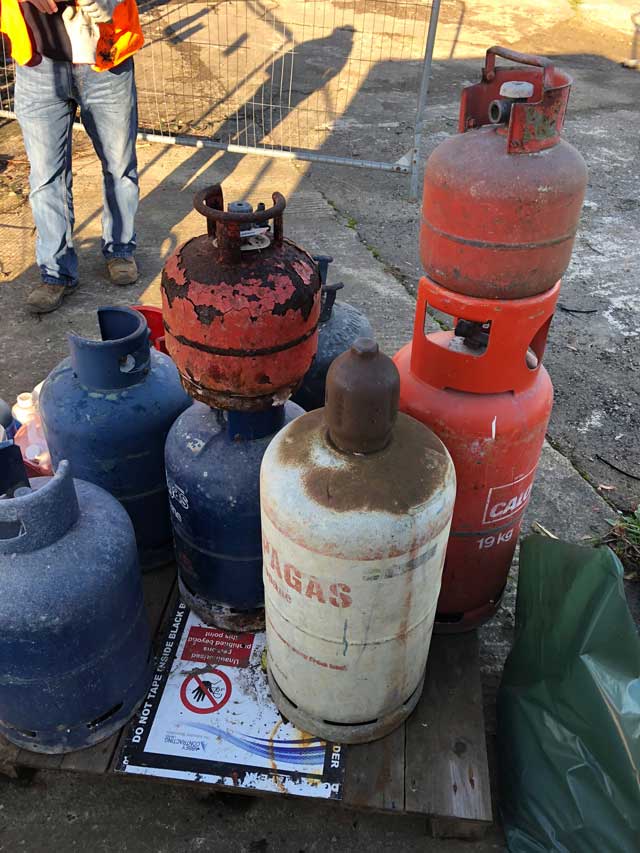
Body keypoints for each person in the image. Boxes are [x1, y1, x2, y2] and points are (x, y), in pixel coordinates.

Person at [0, 0, 144, 313]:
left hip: (105, 57)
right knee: (45, 175)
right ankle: (56, 272)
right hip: (37, 63)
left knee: (119, 165)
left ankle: (120, 249)